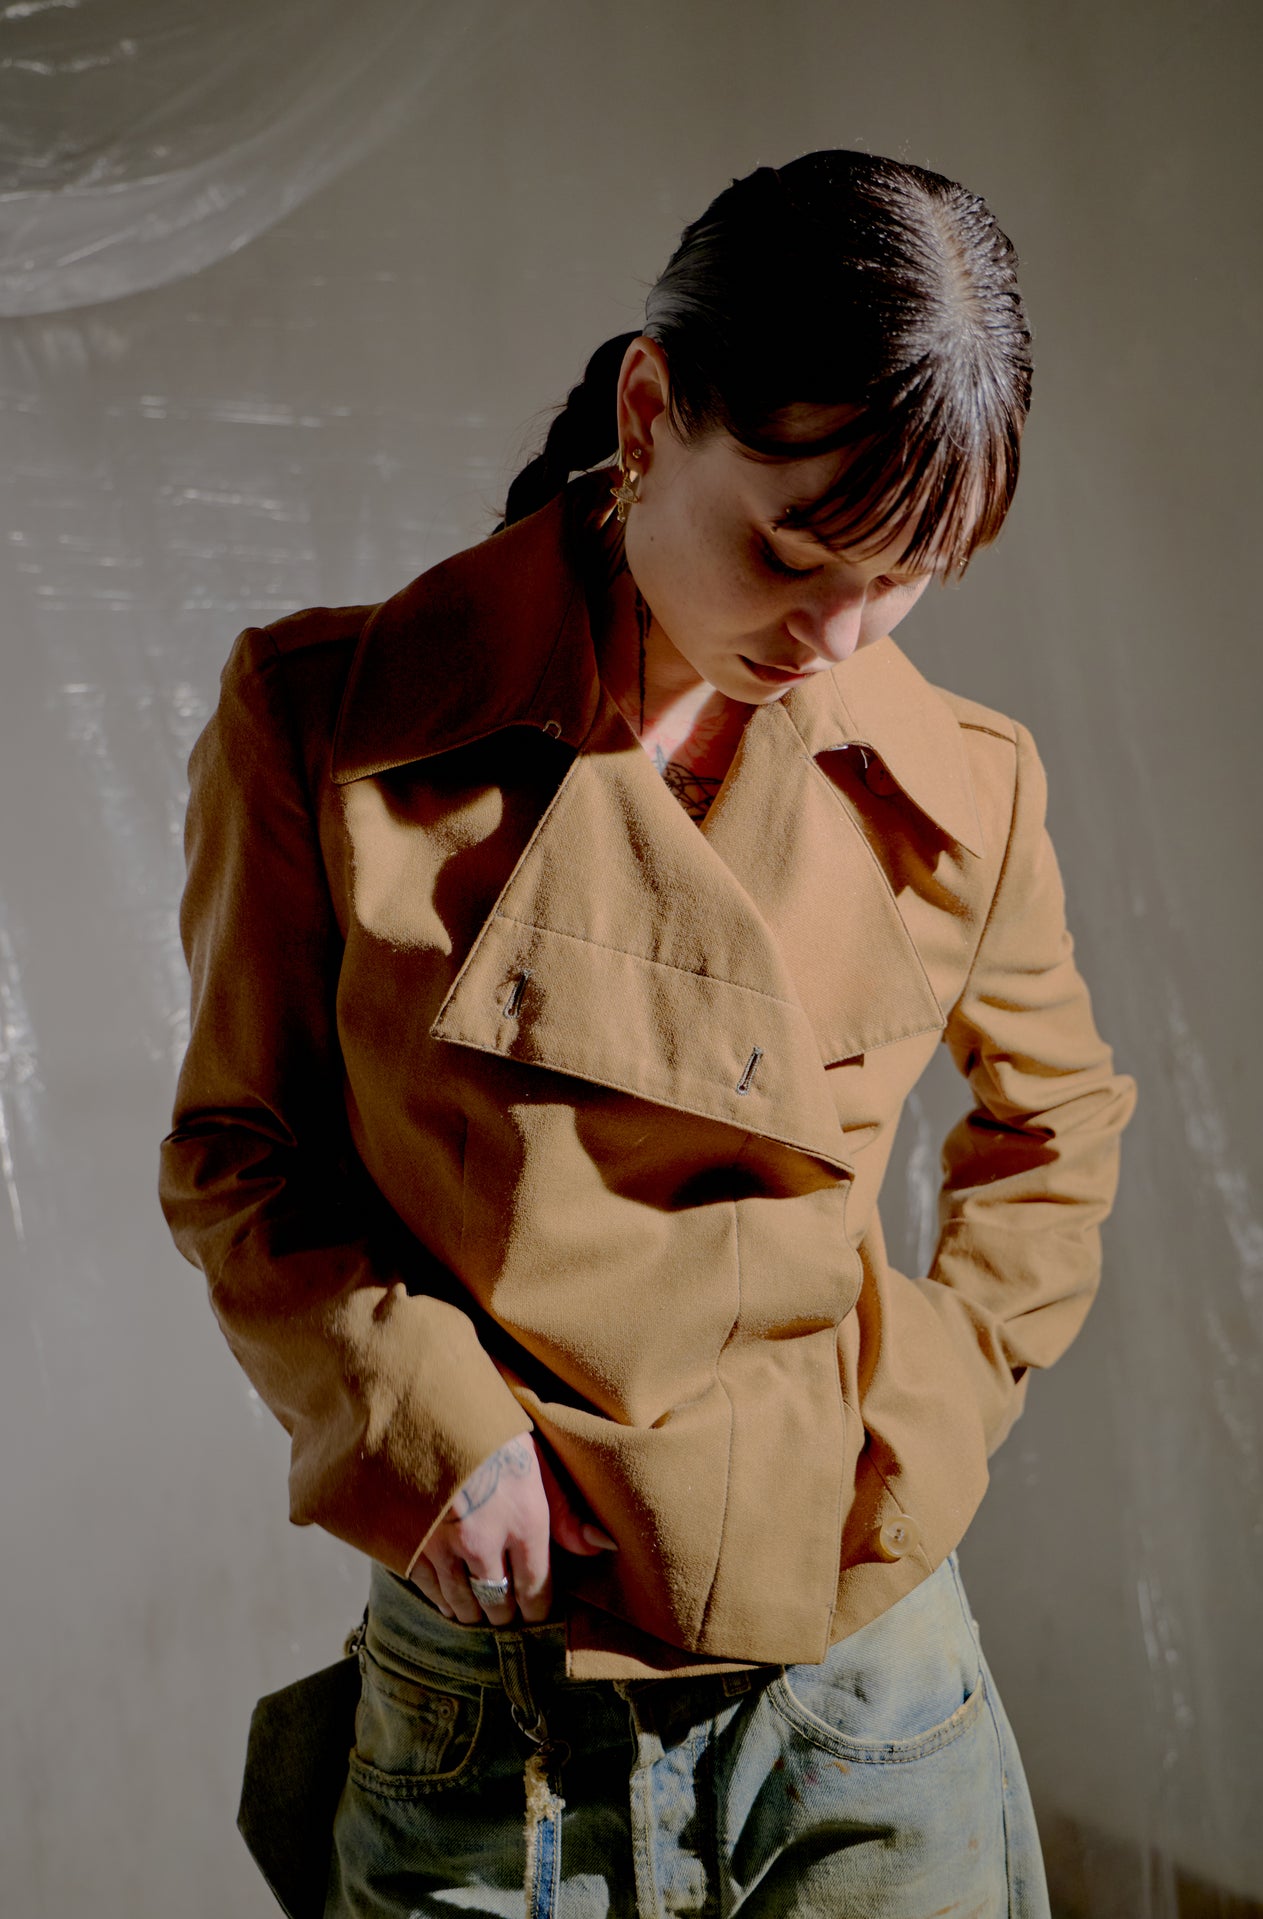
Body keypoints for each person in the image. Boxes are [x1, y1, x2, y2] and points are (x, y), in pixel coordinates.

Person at [160, 150, 1136, 1918]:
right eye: (793, 547)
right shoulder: (319, 727)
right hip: (500, 1686)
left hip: (871, 1692)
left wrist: (922, 1417)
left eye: (907, 578)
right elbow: (240, 1158)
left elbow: (1056, 1132)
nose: (835, 633)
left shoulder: (968, 786)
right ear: (648, 410)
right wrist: (424, 1422)